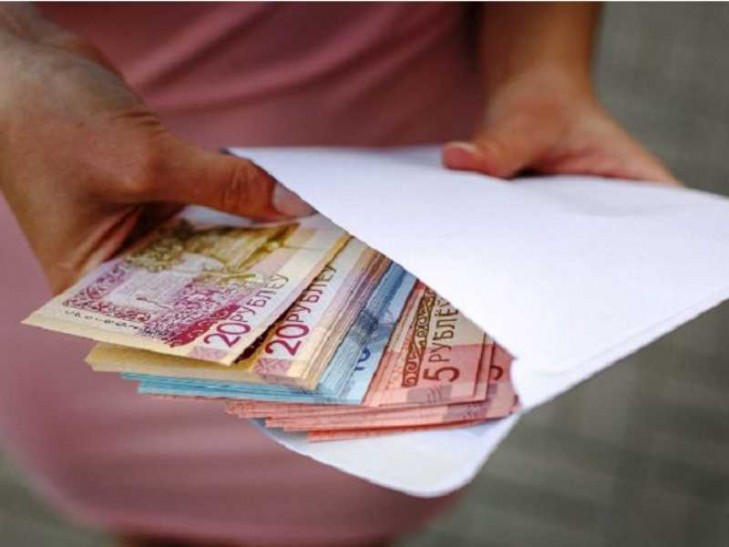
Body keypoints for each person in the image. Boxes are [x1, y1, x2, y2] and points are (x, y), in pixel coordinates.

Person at [0, 3, 677, 546]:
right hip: (80, 217)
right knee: (150, 520)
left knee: (361, 500)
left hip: (415, 232)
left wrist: (541, 76)